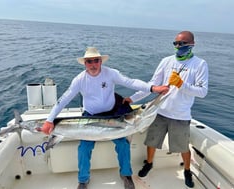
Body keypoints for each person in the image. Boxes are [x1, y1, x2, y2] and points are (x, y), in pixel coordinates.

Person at [39, 47, 168, 189]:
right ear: (84, 63)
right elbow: (63, 100)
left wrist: (153, 89)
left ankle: (126, 174)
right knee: (84, 148)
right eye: (89, 61)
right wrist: (49, 120)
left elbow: (131, 82)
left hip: (112, 116)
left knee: (123, 144)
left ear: (101, 62)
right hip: (90, 117)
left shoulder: (110, 73)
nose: (93, 64)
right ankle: (83, 180)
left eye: (96, 61)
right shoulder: (79, 80)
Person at [124, 31, 208, 188]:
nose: (178, 46)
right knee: (152, 141)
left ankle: (187, 171)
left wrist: (181, 84)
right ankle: (149, 164)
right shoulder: (166, 61)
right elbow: (153, 85)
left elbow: (202, 92)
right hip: (160, 111)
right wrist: (132, 98)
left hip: (181, 114)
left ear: (192, 44)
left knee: (183, 146)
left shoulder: (200, 64)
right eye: (175, 43)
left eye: (182, 43)